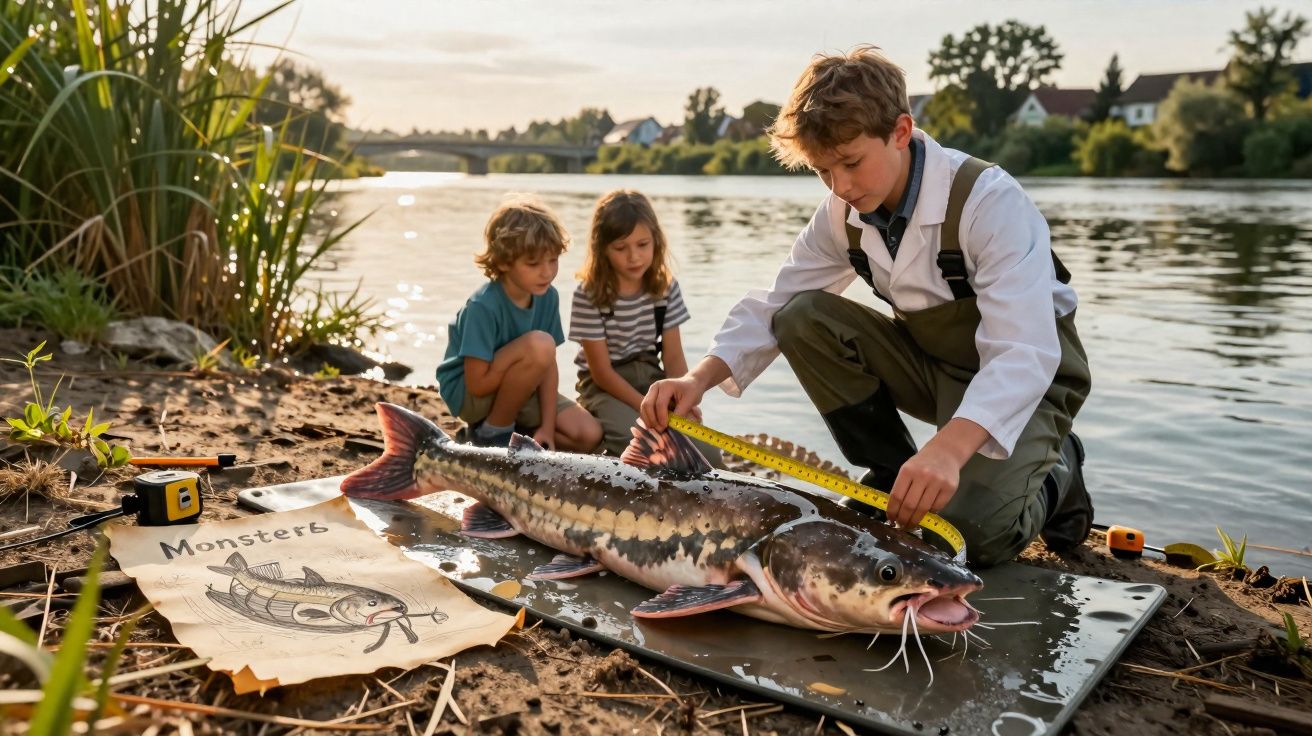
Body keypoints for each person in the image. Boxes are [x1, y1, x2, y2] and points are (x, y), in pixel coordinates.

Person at [639, 46, 1092, 567]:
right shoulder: (841, 211)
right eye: (823, 171)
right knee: (801, 316)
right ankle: (890, 472)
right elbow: (776, 302)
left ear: (900, 131)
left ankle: (1062, 467)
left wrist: (947, 451)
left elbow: (1023, 353)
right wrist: (696, 379)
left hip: (1033, 380)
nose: (841, 187)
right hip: (936, 369)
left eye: (852, 163)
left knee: (970, 537)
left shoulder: (989, 201)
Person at [569, 190, 723, 466]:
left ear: (656, 241)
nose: (634, 257)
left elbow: (673, 358)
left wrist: (683, 402)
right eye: (621, 248)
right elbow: (601, 373)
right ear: (602, 249)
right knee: (643, 445)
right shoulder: (589, 294)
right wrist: (645, 406)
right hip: (605, 387)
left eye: (642, 245)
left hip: (653, 379)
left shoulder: (665, 288)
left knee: (707, 456)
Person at [436, 196, 602, 451]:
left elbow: (548, 366)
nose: (547, 272)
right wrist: (518, 357)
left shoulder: (548, 296)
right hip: (471, 396)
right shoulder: (483, 306)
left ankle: (515, 436)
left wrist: (547, 426)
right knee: (540, 344)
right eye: (533, 263)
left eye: (553, 260)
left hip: (521, 387)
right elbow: (477, 384)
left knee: (588, 435)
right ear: (504, 262)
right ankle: (491, 433)